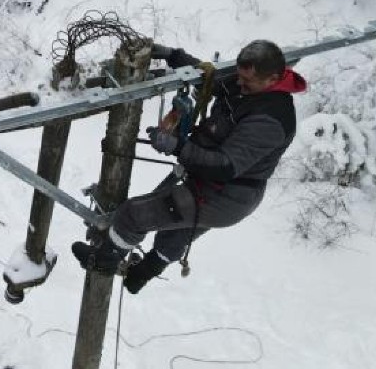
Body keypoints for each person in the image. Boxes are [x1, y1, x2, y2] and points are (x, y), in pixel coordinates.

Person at [72, 39, 307, 293]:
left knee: (133, 215)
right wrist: (173, 55)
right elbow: (211, 79)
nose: (239, 83)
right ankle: (142, 273)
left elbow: (225, 166)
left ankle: (103, 261)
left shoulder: (270, 119)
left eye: (246, 81)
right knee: (174, 234)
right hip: (214, 185)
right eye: (239, 77)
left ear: (272, 79)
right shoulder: (250, 86)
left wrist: (177, 147)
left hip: (224, 195)